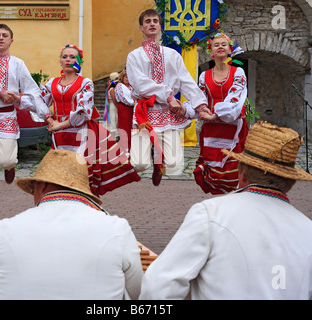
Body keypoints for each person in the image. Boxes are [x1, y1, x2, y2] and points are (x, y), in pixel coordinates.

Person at [139, 121, 312, 300]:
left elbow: (157, 288)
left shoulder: (210, 214)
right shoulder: (308, 232)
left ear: (242, 171)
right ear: (291, 181)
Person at [0, 149, 143, 300]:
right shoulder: (116, 228)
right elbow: (138, 292)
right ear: (83, 190)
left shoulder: (5, 229)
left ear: (42, 186)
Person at [40, 44, 140, 198]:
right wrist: (49, 118)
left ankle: (86, 205)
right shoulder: (52, 84)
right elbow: (39, 102)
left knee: (83, 173)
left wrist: (60, 124)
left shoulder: (85, 83)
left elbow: (83, 111)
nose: (68, 60)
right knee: (62, 173)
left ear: (79, 61)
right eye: (64, 56)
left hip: (82, 133)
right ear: (60, 61)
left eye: (73, 57)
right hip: (60, 135)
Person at [126, 9, 208, 186]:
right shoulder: (134, 56)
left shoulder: (172, 55)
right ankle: (150, 156)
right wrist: (168, 95)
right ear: (141, 27)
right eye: (147, 21)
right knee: (139, 164)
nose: (152, 24)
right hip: (144, 113)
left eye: (155, 20)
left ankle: (159, 162)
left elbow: (186, 81)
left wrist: (200, 105)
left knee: (174, 165)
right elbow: (140, 84)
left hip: (168, 114)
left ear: (160, 26)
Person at [0, 24, 52, 184]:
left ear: (11, 41)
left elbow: (32, 91)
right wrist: (0, 93)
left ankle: (8, 167)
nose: (1, 38)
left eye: (5, 35)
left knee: (7, 161)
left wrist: (45, 114)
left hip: (6, 117)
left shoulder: (18, 64)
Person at [193, 32, 248, 195]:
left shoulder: (238, 73)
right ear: (210, 52)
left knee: (233, 170)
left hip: (233, 128)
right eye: (216, 45)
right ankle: (219, 205)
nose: (220, 47)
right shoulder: (204, 75)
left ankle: (234, 205)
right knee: (213, 170)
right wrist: (188, 109)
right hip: (212, 130)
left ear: (230, 50)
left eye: (224, 44)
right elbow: (199, 98)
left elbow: (235, 99)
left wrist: (214, 114)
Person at [115, 68, 135, 154]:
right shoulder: (119, 86)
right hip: (124, 108)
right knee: (124, 128)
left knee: (131, 128)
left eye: (129, 77)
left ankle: (131, 149)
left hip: (131, 109)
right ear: (122, 78)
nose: (127, 79)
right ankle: (124, 149)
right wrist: (135, 103)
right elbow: (124, 99)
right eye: (126, 77)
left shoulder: (131, 87)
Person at [103, 72, 119, 139]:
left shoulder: (111, 88)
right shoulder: (112, 89)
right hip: (113, 107)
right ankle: (113, 138)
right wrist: (118, 107)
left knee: (114, 121)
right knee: (113, 121)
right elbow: (114, 100)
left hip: (112, 106)